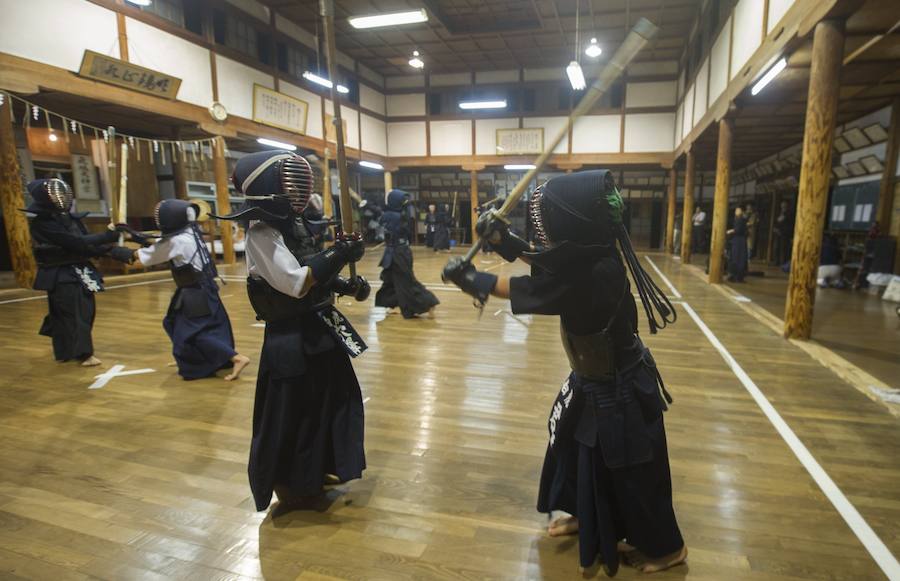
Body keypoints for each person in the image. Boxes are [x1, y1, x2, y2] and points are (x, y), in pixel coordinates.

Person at [443, 170, 685, 576]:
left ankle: (667, 548)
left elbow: (537, 291)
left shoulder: (596, 273)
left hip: (618, 387)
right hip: (590, 379)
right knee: (570, 451)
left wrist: (473, 279)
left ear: (573, 221)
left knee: (635, 475)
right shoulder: (590, 251)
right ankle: (585, 514)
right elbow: (552, 263)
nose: (544, 226)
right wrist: (505, 242)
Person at [214, 150, 370, 512]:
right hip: (291, 340)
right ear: (271, 185)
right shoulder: (262, 233)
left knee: (329, 401)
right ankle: (295, 483)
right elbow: (296, 283)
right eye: (290, 180)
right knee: (295, 412)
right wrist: (337, 256)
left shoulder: (297, 226)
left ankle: (322, 468)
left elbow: (314, 273)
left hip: (319, 330)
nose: (300, 188)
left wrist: (347, 285)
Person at [122, 199, 249, 381]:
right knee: (176, 322)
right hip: (204, 288)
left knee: (189, 334)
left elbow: (146, 257)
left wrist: (115, 250)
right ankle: (194, 358)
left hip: (194, 292)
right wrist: (134, 235)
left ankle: (236, 358)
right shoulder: (191, 232)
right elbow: (159, 241)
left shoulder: (177, 241)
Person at [24, 178, 134, 366]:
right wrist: (107, 236)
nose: (61, 198)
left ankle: (67, 351)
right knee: (72, 313)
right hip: (60, 272)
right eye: (55, 194)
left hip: (80, 269)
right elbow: (76, 243)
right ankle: (83, 354)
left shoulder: (71, 219)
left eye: (63, 193)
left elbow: (85, 245)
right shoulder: (43, 224)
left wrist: (113, 249)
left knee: (83, 311)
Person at [375, 190, 440, 318]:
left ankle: (428, 303)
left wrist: (368, 206)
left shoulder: (393, 215)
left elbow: (382, 218)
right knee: (390, 280)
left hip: (398, 253)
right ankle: (395, 305)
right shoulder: (400, 214)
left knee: (406, 281)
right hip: (398, 251)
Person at [727, 206, 748, 282]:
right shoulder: (737, 219)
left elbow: (738, 230)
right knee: (735, 257)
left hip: (739, 240)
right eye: (736, 210)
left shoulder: (741, 219)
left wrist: (732, 231)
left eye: (738, 210)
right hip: (736, 239)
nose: (736, 211)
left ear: (741, 212)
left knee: (739, 257)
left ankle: (738, 276)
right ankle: (734, 274)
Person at [773, 200, 794, 267]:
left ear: (787, 206)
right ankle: (776, 262)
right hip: (778, 234)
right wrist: (775, 229)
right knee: (776, 248)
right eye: (782, 206)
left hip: (785, 235)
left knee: (784, 249)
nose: (783, 207)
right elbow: (775, 223)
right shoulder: (779, 213)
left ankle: (783, 263)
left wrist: (783, 231)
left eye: (784, 206)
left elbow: (790, 225)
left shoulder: (790, 214)